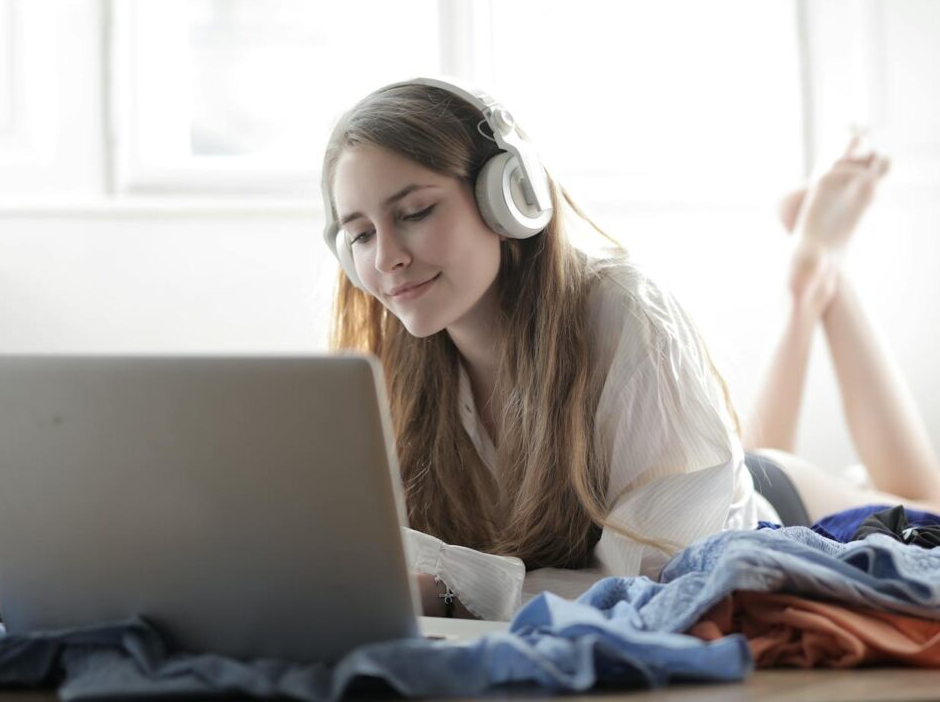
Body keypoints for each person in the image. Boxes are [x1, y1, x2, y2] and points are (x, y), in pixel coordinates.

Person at [318, 77, 940, 621]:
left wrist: (457, 596)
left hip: (759, 512)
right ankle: (808, 284)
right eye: (361, 234)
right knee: (750, 450)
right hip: (699, 475)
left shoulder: (625, 314)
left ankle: (814, 275)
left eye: (417, 211)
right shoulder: (391, 359)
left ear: (509, 197)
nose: (387, 258)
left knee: (922, 503)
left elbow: (663, 580)